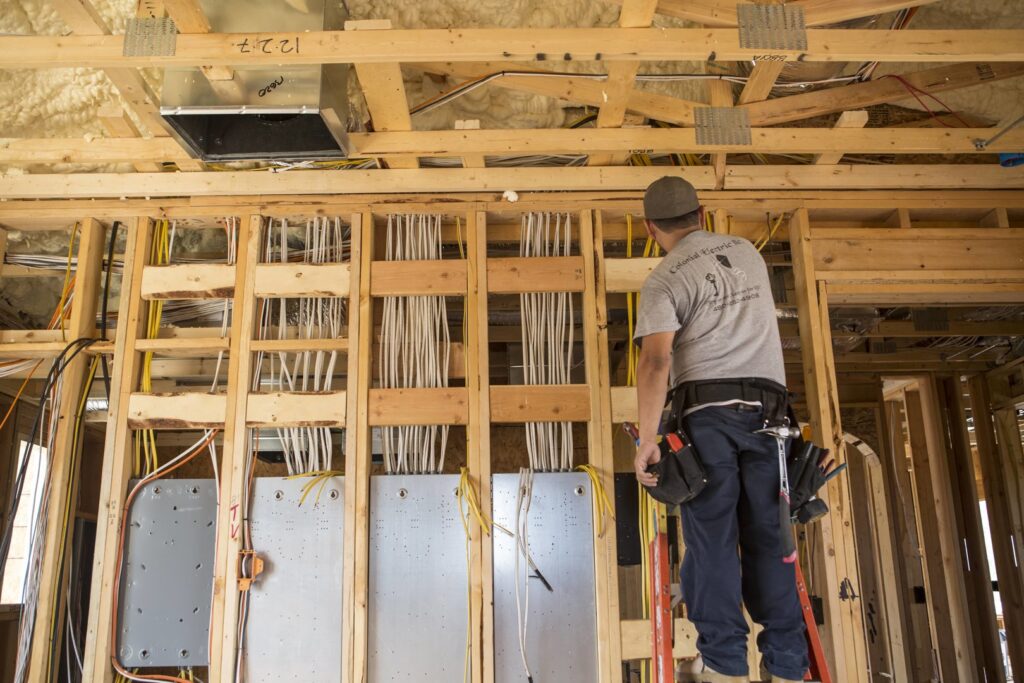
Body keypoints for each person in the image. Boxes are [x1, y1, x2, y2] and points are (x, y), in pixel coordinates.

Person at [632, 176, 808, 683]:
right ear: (702, 213)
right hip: (771, 417)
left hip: (709, 418)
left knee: (712, 538)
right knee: (771, 537)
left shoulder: (665, 279)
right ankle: (788, 667)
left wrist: (648, 440)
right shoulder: (746, 252)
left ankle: (727, 666)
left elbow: (656, 359)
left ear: (650, 227)